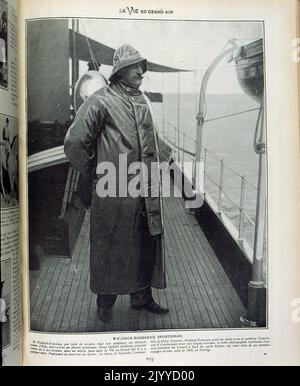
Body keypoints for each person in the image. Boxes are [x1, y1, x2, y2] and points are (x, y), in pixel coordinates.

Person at [64, 44, 169, 323]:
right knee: (111, 243)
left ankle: (142, 298)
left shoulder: (142, 100)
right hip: (113, 189)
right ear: (121, 71)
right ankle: (105, 304)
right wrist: (96, 172)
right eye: (135, 66)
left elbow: (153, 142)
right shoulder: (100, 100)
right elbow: (75, 141)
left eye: (141, 66)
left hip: (145, 187)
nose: (141, 72)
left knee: (146, 240)